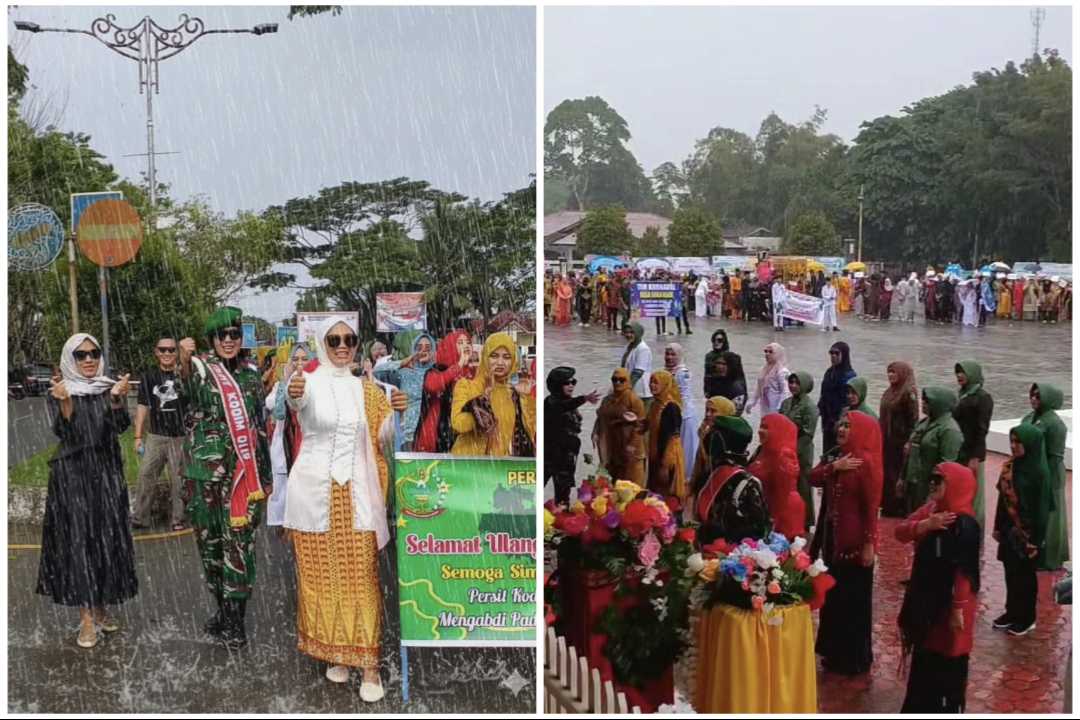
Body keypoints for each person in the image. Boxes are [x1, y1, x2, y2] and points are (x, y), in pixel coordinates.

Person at [284, 316, 401, 697]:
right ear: (322, 342)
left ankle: (369, 667)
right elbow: (300, 406)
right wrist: (295, 392)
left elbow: (382, 437)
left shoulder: (368, 390)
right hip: (314, 496)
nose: (341, 345)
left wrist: (396, 412)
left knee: (362, 581)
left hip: (357, 497)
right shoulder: (309, 382)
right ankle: (338, 653)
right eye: (334, 339)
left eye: (349, 339)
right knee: (321, 580)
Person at [177, 307, 272, 649]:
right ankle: (222, 609)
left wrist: (267, 477)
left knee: (239, 547)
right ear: (211, 340)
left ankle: (236, 619)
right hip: (202, 477)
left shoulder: (250, 375)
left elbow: (258, 428)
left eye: (234, 334)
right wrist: (184, 359)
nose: (229, 341)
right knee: (210, 547)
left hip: (241, 477)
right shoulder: (201, 370)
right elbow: (184, 385)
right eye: (222, 336)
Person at [37, 334, 137, 648]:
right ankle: (85, 621)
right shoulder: (60, 389)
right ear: (71, 359)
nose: (89, 360)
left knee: (107, 540)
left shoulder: (107, 386)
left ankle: (100, 609)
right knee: (79, 544)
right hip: (74, 479)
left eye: (94, 353)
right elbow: (70, 433)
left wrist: (117, 399)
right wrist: (65, 401)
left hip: (107, 476)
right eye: (81, 355)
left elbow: (118, 426)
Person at [896, 462, 981, 713]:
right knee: (925, 654)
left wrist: (958, 608)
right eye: (931, 479)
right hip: (927, 601)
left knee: (947, 659)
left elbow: (964, 573)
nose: (932, 484)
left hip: (951, 607)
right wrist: (924, 526)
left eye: (938, 480)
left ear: (954, 486)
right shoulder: (932, 510)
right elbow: (900, 532)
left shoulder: (965, 525)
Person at [811, 411, 882, 675]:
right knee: (835, 598)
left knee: (853, 601)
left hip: (854, 544)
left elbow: (871, 508)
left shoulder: (867, 464)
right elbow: (812, 477)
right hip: (833, 541)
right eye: (842, 424)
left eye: (849, 426)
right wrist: (834, 468)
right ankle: (833, 651)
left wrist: (869, 543)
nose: (842, 430)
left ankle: (853, 658)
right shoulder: (837, 457)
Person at [993, 424, 1052, 636]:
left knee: (1025, 577)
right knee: (1011, 572)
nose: (1013, 446)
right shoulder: (1009, 467)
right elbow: (1002, 500)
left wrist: (1035, 540)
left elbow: (1043, 510)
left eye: (1019, 442)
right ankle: (1012, 612)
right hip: (1010, 531)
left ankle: (1027, 618)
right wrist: (998, 527)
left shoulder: (1040, 473)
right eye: (1012, 441)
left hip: (1028, 534)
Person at [131, 336, 189, 532]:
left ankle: (178, 519)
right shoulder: (148, 377)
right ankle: (140, 517)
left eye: (171, 350)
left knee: (178, 480)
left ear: (176, 353)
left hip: (180, 437)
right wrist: (137, 437)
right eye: (162, 350)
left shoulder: (184, 375)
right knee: (145, 474)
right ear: (156, 352)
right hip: (156, 436)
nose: (167, 354)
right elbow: (142, 407)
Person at [450, 332, 535, 457]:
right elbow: (458, 425)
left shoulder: (514, 393)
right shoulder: (466, 386)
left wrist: (527, 398)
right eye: (494, 356)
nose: (500, 362)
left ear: (513, 361)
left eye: (506, 357)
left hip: (503, 468)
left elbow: (533, 429)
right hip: (471, 466)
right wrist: (482, 401)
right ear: (485, 357)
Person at [694, 416, 763, 546]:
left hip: (730, 556)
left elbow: (756, 532)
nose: (708, 438)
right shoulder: (711, 473)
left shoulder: (746, 483)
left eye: (713, 434)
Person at [1023, 383, 1069, 571]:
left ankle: (1049, 557)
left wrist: (1044, 479)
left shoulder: (1056, 425)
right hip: (1031, 472)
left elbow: (1054, 456)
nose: (1033, 399)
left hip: (1050, 475)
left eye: (1038, 396)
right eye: (1032, 395)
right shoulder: (1030, 418)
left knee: (1050, 516)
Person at [266, 343, 309, 528]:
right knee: (285, 487)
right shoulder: (280, 385)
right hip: (287, 444)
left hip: (308, 446)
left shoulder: (319, 384)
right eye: (295, 359)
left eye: (304, 359)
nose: (300, 363)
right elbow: (276, 410)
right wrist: (285, 382)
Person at [902, 387, 963, 514]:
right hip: (914, 482)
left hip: (929, 486)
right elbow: (911, 451)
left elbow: (947, 466)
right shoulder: (924, 422)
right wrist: (902, 478)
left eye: (927, 401)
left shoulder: (949, 430)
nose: (923, 403)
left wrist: (934, 492)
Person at [544, 367, 600, 504]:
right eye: (566, 383)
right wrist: (585, 398)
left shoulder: (567, 401)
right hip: (553, 456)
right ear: (557, 385)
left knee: (563, 493)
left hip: (567, 456)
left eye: (573, 382)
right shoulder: (551, 402)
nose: (571, 386)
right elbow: (563, 406)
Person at [747, 413, 804, 540]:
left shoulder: (783, 456)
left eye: (766, 427)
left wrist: (772, 522)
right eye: (761, 426)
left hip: (784, 514)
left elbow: (783, 493)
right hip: (767, 509)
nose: (760, 431)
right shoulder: (762, 451)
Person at [952, 361, 994, 529]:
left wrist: (975, 456)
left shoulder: (983, 397)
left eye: (963, 372)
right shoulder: (961, 394)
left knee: (973, 494)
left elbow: (982, 428)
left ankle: (974, 530)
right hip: (959, 450)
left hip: (972, 453)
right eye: (957, 372)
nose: (959, 376)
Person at [592, 368, 646, 486]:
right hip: (613, 447)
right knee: (612, 482)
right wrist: (595, 432)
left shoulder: (634, 400)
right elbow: (601, 417)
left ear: (627, 381)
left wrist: (632, 444)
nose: (618, 383)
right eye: (614, 380)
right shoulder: (608, 400)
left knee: (631, 485)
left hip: (630, 449)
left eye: (622, 380)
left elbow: (640, 426)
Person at [879, 362, 919, 518]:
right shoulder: (890, 392)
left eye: (894, 372)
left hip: (900, 441)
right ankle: (888, 505)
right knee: (888, 473)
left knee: (898, 474)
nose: (890, 375)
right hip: (888, 440)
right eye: (889, 372)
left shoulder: (908, 393)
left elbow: (914, 419)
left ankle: (899, 508)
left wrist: (910, 441)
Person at [781, 371, 819, 528]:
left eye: (796, 383)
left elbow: (808, 434)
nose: (793, 386)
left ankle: (806, 521)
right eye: (791, 382)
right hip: (785, 449)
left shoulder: (810, 407)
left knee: (803, 486)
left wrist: (793, 452)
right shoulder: (786, 403)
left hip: (801, 451)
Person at [643, 370, 687, 503]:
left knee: (666, 494)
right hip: (656, 453)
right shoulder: (655, 404)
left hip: (668, 456)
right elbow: (649, 424)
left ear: (665, 384)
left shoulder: (671, 407)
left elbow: (673, 439)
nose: (652, 385)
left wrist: (665, 465)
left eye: (656, 382)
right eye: (651, 382)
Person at [689, 396, 738, 495]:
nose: (707, 414)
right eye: (707, 410)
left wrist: (702, 439)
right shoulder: (710, 432)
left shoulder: (718, 436)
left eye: (713, 411)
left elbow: (708, 466)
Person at [396, 332, 436, 451]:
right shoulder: (404, 372)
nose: (423, 351)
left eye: (428, 348)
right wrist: (403, 362)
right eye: (419, 348)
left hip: (431, 433)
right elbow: (378, 370)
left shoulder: (438, 372)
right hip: (408, 434)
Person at [665, 343, 700, 476]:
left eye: (673, 354)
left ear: (679, 356)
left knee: (686, 451)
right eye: (667, 354)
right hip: (674, 416)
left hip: (685, 416)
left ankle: (686, 479)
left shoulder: (682, 373)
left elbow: (684, 394)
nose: (669, 357)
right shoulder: (667, 372)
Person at [818, 342, 856, 453]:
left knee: (839, 451)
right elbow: (823, 395)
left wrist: (841, 420)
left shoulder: (849, 375)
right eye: (831, 353)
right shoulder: (829, 372)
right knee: (827, 452)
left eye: (836, 353)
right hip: (827, 420)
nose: (833, 356)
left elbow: (849, 401)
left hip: (841, 421)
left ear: (844, 355)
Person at [747, 342, 790, 416]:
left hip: (777, 407)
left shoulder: (782, 372)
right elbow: (759, 387)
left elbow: (785, 392)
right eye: (765, 351)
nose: (767, 354)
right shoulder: (763, 369)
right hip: (765, 406)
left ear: (778, 354)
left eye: (771, 352)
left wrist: (780, 408)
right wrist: (752, 402)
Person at [620, 322, 653, 405]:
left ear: (638, 333)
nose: (628, 335)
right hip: (630, 390)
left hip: (641, 392)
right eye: (626, 332)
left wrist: (626, 388)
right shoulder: (629, 347)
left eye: (631, 332)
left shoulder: (643, 349)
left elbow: (638, 372)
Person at [710, 351, 748, 417]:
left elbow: (735, 414)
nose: (720, 366)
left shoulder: (737, 388)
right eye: (718, 363)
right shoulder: (716, 382)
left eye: (724, 364)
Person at [702, 329, 730, 398]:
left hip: (726, 391)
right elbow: (706, 375)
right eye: (714, 340)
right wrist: (706, 391)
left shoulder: (730, 356)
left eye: (719, 340)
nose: (716, 342)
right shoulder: (709, 356)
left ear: (724, 341)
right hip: (712, 391)